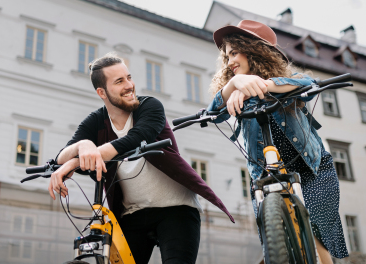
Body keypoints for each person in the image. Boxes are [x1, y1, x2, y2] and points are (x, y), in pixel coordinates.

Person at [48, 53, 234, 264]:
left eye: (129, 77)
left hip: (177, 208)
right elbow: (61, 157)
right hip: (133, 213)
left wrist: (75, 161)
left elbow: (136, 138)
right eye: (119, 81)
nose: (129, 85)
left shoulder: (150, 106)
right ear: (102, 92)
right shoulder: (96, 121)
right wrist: (83, 145)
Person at [207, 20, 349, 263]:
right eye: (227, 55)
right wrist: (234, 85)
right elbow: (215, 112)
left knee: (316, 236)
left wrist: (263, 86)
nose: (229, 61)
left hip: (310, 170)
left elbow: (308, 84)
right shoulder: (234, 90)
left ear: (254, 50)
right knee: (275, 245)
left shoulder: (287, 80)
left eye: (235, 52)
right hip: (266, 175)